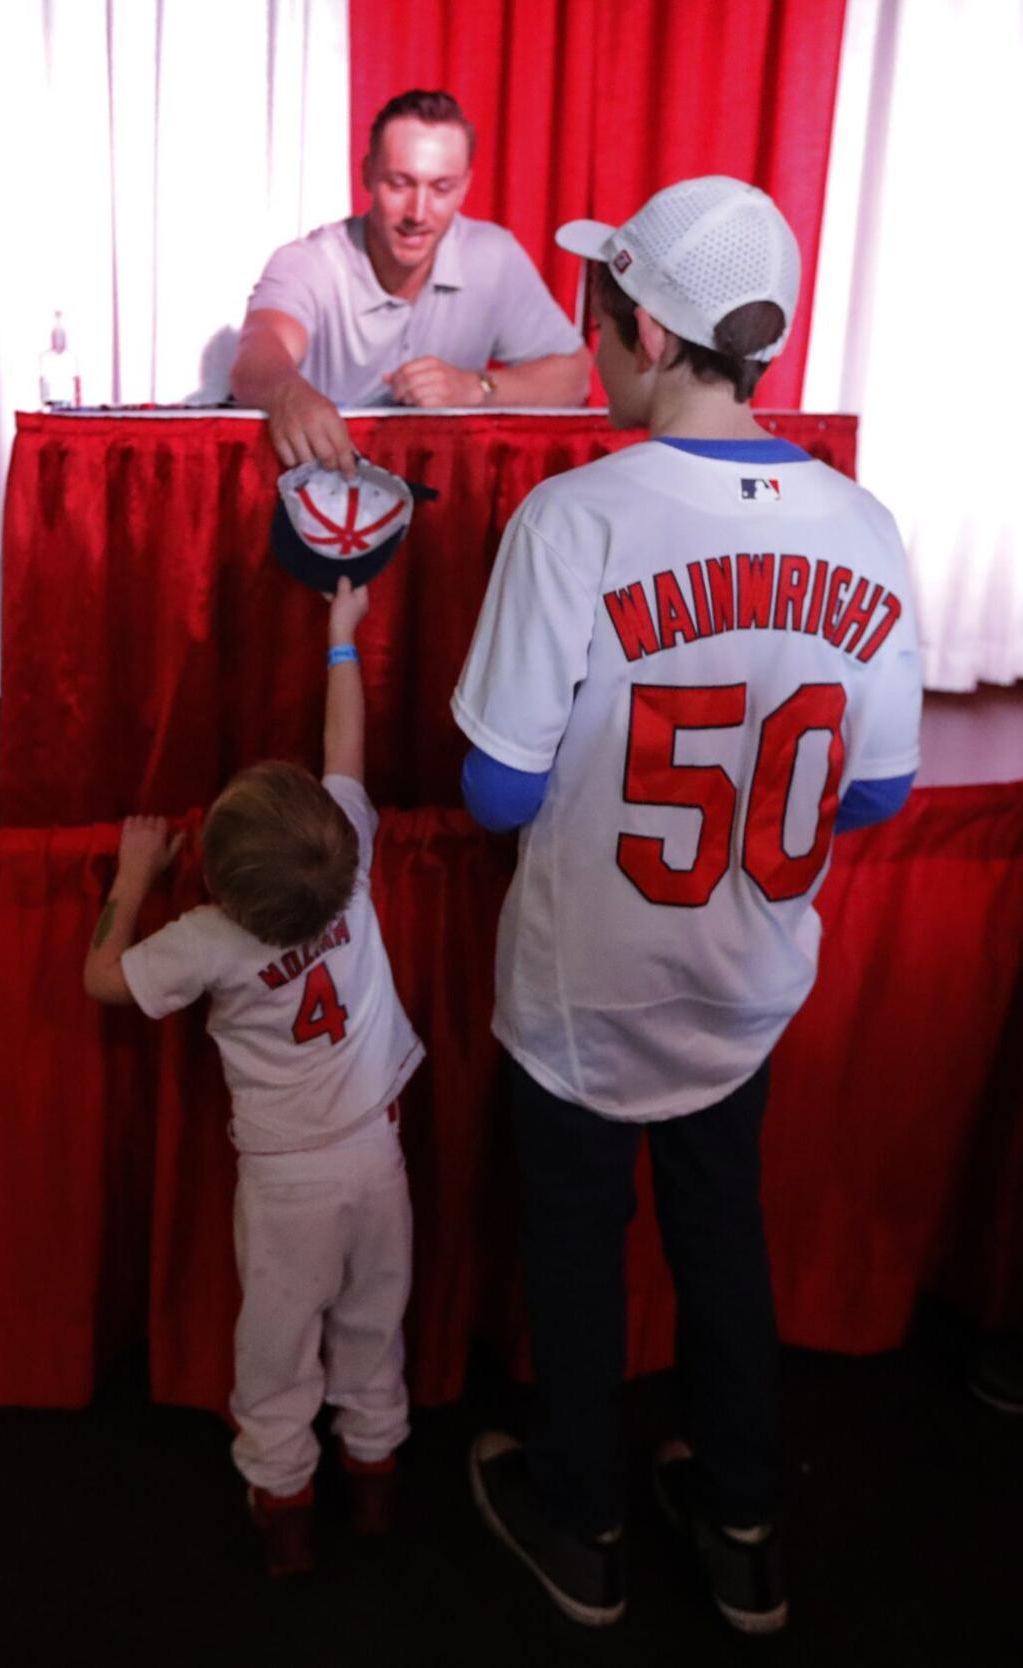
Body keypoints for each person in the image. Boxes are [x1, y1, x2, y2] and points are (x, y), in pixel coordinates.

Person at [451, 176, 923, 1634]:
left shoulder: (570, 518)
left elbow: (497, 797)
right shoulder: (866, 525)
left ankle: (584, 1526)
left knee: (579, 1244)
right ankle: (740, 1526)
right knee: (725, 1234)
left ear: (645, 327)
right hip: (746, 977)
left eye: (600, 312)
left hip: (588, 987)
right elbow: (878, 795)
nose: (592, 341)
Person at [83, 577, 423, 1577]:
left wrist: (132, 877)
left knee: (277, 1350)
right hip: (378, 1159)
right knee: (373, 1321)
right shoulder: (351, 867)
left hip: (286, 1187)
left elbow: (104, 980)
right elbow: (345, 752)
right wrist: (342, 637)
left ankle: (284, 1501)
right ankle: (375, 1472)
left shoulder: (209, 939)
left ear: (220, 886)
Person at [229, 89, 590, 477]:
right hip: (322, 497)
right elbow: (257, 356)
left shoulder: (494, 255)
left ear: (465, 186)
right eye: (400, 183)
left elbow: (575, 378)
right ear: (366, 173)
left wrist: (476, 388)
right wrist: (289, 395)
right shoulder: (307, 261)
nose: (418, 213)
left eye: (441, 188)